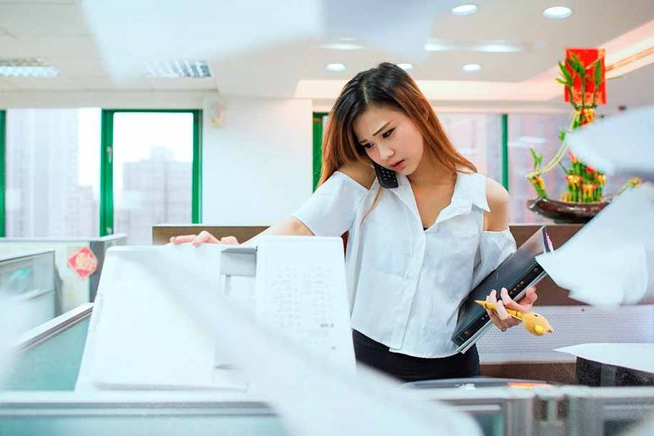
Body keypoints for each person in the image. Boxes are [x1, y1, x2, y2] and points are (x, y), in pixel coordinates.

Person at [171, 62, 538, 382]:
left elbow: (488, 296)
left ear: (419, 112)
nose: (383, 153)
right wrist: (232, 249)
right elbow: (300, 227)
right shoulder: (366, 179)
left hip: (450, 368)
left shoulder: (487, 198)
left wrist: (507, 310)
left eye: (388, 133)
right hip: (363, 363)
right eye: (368, 145)